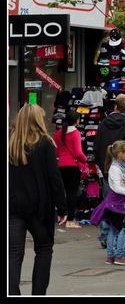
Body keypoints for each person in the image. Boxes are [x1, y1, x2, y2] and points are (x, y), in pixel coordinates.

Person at [9, 104, 67, 295]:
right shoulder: (45, 143)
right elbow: (54, 178)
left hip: (14, 206)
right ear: (38, 120)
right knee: (43, 249)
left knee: (14, 253)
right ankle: (38, 292)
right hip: (40, 207)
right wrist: (63, 207)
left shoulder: (11, 143)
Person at [93, 94, 125, 248]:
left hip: (107, 168)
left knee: (108, 203)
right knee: (123, 206)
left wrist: (102, 166)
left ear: (115, 107)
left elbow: (97, 145)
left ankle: (106, 236)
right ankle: (120, 237)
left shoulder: (104, 123)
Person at [90, 140, 125, 266]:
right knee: (122, 229)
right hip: (116, 205)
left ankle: (111, 256)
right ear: (120, 154)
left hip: (114, 203)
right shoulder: (115, 168)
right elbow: (116, 188)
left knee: (113, 230)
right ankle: (120, 255)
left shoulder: (119, 166)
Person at [54, 110, 87, 228]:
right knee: (71, 193)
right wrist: (85, 159)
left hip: (60, 165)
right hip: (73, 166)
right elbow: (78, 152)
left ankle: (61, 215)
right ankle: (70, 220)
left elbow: (56, 151)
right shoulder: (76, 133)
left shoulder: (58, 133)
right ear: (77, 120)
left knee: (61, 192)